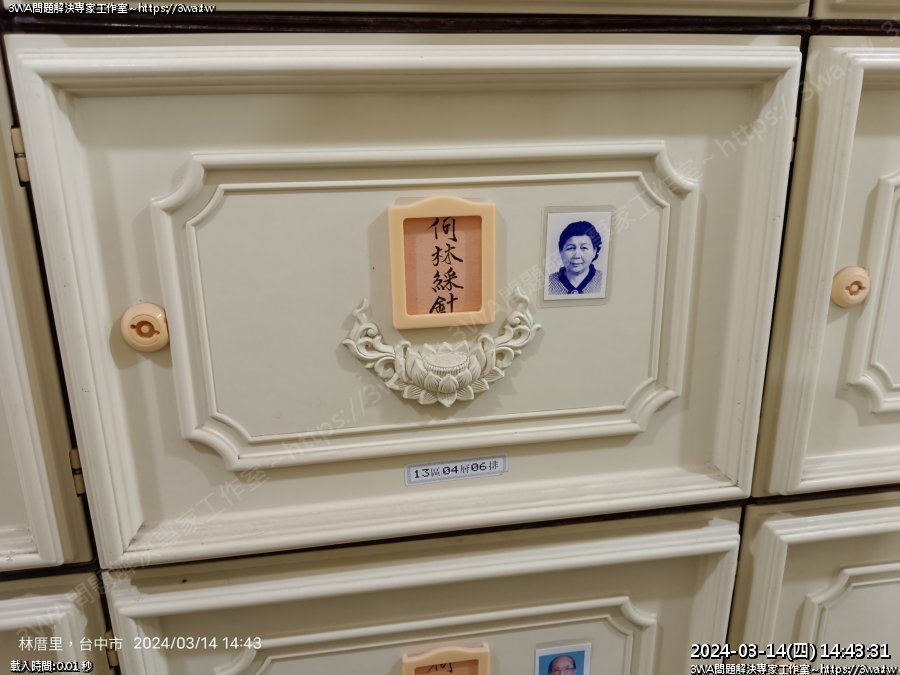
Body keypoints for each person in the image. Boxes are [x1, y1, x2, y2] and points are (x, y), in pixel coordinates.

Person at [547, 220, 603, 296]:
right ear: (561, 251)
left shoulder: (604, 280)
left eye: (584, 248)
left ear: (594, 251)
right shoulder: (547, 283)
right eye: (571, 248)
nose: (576, 255)